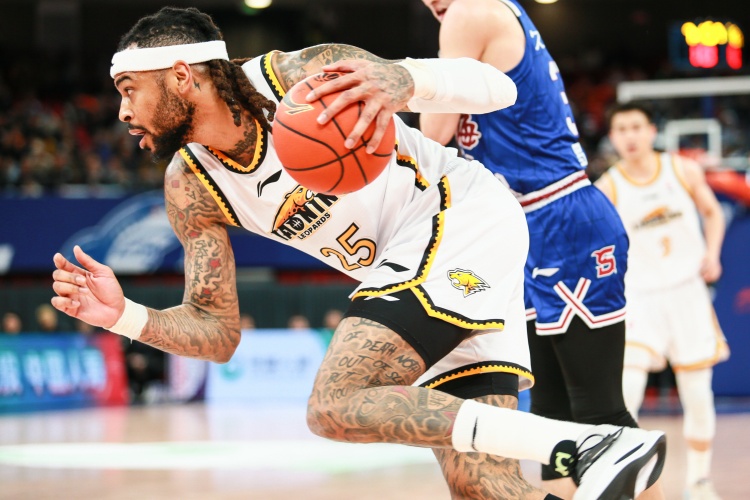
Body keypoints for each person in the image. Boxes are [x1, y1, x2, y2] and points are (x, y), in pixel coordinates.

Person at [50, 7, 665, 499]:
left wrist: (408, 80)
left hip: (458, 216)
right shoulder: (191, 185)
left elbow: (499, 87)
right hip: (425, 265)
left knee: (334, 404)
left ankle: (589, 444)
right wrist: (125, 317)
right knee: (482, 485)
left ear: (182, 75)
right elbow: (218, 333)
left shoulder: (299, 75)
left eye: (130, 89)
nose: (123, 111)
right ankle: (591, 448)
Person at [418, 1, 654, 497]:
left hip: (560, 216)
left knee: (600, 415)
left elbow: (434, 135)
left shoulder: (468, 13)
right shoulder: (491, 14)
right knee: (553, 419)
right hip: (523, 226)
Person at [596, 103, 729, 500]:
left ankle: (698, 481)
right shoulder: (608, 186)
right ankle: (625, 477)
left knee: (698, 393)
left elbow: (713, 213)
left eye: (636, 126)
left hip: (687, 292)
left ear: (651, 131)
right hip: (639, 297)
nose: (630, 136)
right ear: (613, 137)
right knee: (628, 389)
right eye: (621, 129)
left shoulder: (682, 170)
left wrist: (713, 254)